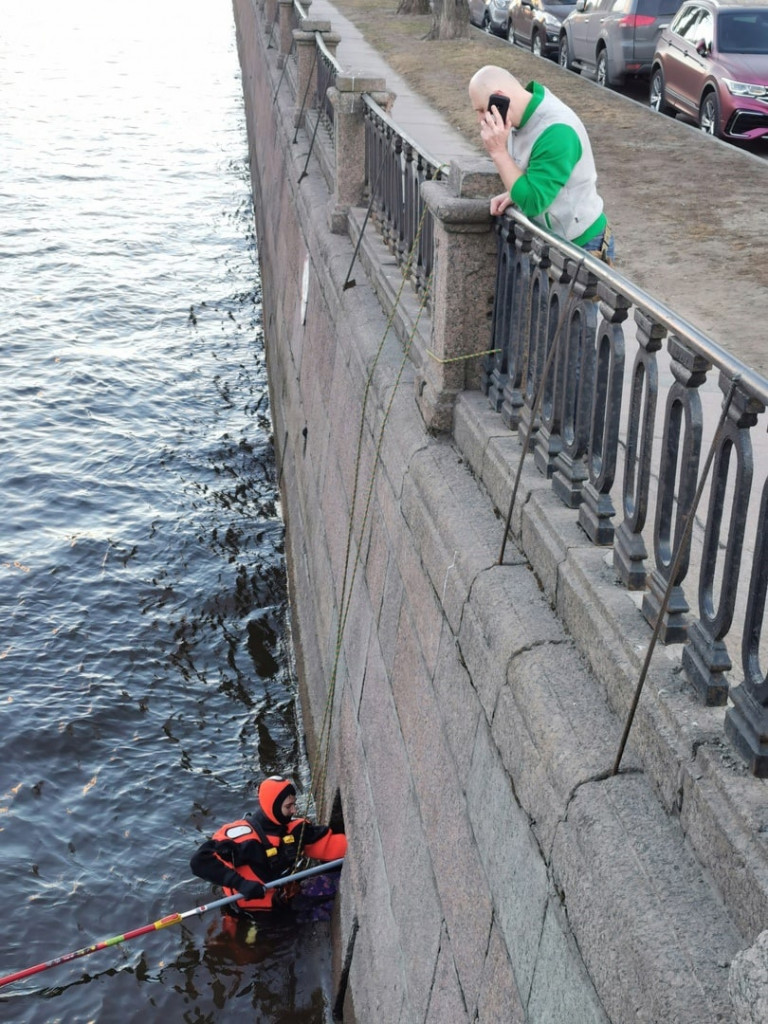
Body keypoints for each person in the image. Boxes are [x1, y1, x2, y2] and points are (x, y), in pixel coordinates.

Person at [468, 65, 614, 263]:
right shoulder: (518, 115)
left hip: (583, 246)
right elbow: (535, 175)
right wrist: (515, 193)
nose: (480, 119)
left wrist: (498, 152)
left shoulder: (556, 132)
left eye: (482, 110)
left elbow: (533, 202)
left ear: (499, 98)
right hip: (553, 239)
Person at [190, 775, 347, 914]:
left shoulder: (294, 830)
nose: (294, 810)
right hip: (254, 904)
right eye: (288, 806)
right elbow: (199, 861)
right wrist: (241, 884)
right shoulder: (244, 840)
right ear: (273, 807)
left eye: (294, 804)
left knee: (338, 886)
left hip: (283, 892)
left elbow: (330, 846)